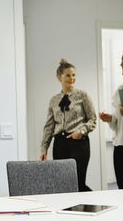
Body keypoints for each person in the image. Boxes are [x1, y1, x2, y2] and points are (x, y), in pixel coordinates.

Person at [40, 59, 97, 192]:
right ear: (59, 77)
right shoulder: (54, 100)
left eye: (74, 75)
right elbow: (49, 126)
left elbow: (93, 119)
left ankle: (88, 208)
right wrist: (44, 148)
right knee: (62, 185)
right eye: (68, 75)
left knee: (78, 183)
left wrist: (81, 131)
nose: (72, 78)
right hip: (60, 144)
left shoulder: (83, 96)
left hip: (79, 143)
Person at [99, 49, 123, 189]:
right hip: (121, 145)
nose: (120, 64)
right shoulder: (121, 89)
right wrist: (110, 118)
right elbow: (118, 120)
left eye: (122, 60)